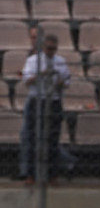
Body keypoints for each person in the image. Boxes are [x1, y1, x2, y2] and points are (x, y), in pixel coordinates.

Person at [21, 34, 70, 185]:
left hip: (54, 100)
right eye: (49, 48)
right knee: (32, 138)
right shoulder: (33, 61)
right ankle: (31, 174)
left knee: (53, 139)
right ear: (43, 47)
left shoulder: (60, 61)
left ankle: (52, 175)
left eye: (54, 49)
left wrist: (60, 82)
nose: (51, 52)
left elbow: (67, 81)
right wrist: (41, 74)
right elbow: (27, 82)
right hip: (37, 100)